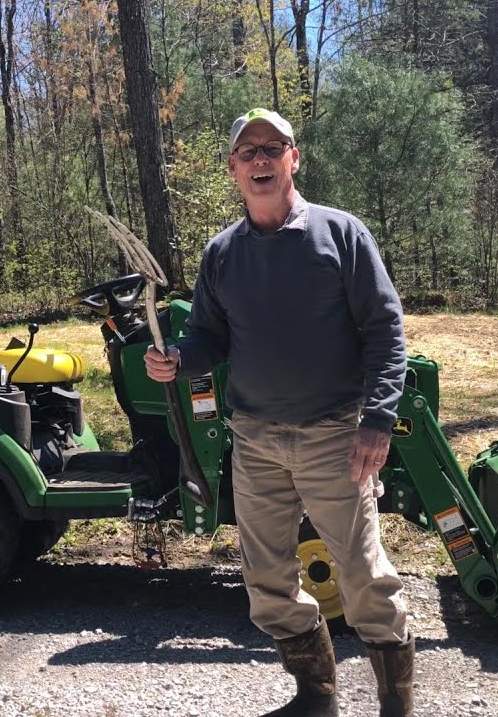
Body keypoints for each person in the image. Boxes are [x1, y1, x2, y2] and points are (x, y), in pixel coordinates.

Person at [145, 108, 414, 717]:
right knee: (267, 581)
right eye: (249, 151)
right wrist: (179, 359)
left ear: (295, 159)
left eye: (274, 147)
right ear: (234, 169)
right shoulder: (222, 253)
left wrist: (378, 419)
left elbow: (384, 329)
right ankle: (315, 696)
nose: (261, 159)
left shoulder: (341, 235)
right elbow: (213, 338)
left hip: (335, 437)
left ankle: (396, 704)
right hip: (256, 438)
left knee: (364, 575)